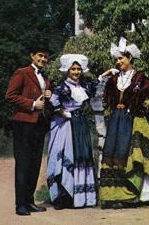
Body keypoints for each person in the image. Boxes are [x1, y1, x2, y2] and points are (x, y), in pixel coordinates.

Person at [99, 37, 149, 209]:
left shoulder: (141, 78)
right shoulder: (112, 80)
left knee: (133, 154)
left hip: (134, 121)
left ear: (130, 58)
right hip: (116, 123)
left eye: (121, 58)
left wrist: (145, 107)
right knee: (114, 153)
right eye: (116, 59)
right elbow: (104, 100)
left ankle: (133, 196)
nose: (118, 62)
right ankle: (113, 196)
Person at [47, 54, 99, 209]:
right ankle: (63, 197)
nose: (76, 72)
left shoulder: (83, 87)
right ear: (67, 70)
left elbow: (97, 84)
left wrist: (107, 73)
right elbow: (54, 104)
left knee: (81, 156)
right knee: (65, 156)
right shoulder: (62, 87)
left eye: (78, 69)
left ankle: (81, 197)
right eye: (73, 69)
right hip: (67, 126)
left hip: (80, 125)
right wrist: (67, 114)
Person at [5, 48, 52, 215]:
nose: (43, 59)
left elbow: (44, 100)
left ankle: (30, 201)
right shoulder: (22, 72)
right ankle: (20, 205)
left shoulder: (45, 77)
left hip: (39, 125)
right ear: (32, 56)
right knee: (23, 164)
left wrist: (48, 95)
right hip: (23, 124)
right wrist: (32, 104)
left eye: (46, 57)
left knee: (35, 164)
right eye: (40, 55)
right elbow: (10, 95)